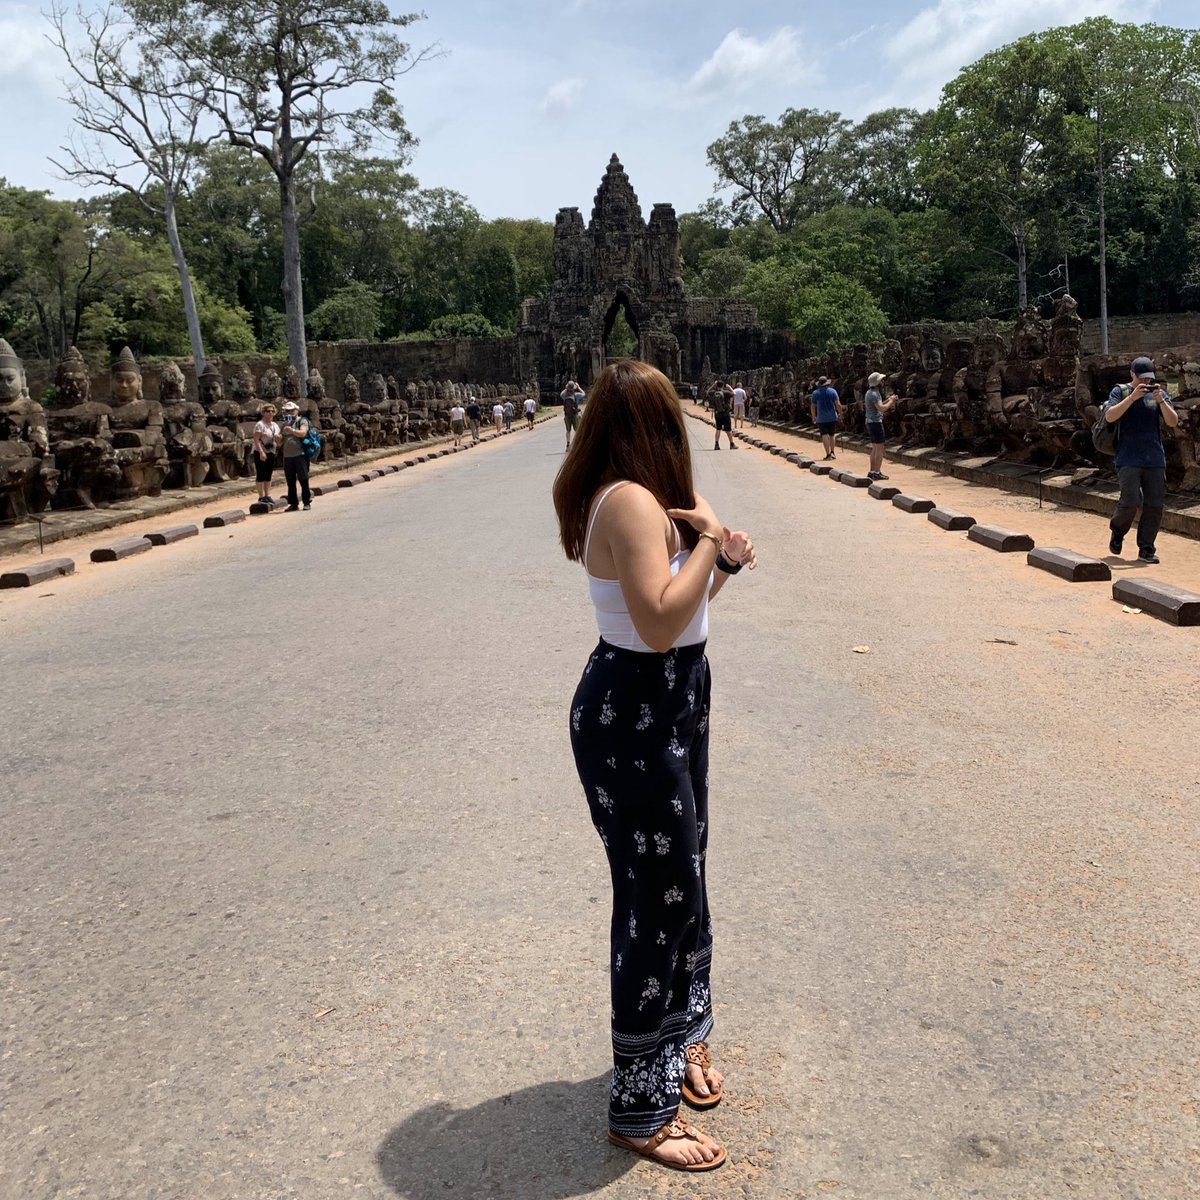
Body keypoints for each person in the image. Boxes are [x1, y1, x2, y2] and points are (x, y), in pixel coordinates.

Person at [552, 360, 756, 1174]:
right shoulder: (632, 501)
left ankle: (683, 1038)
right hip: (634, 711)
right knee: (655, 900)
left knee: (682, 881)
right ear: (657, 423)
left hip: (669, 698)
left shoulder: (635, 494)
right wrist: (708, 537)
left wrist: (721, 564)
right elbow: (661, 624)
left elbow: (680, 612)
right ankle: (640, 1106)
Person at [1104, 355, 1179, 564]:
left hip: (1154, 457)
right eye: (1142, 378)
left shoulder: (1159, 393)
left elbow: (1173, 422)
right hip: (1128, 457)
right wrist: (1132, 398)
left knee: (1155, 505)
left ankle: (1146, 548)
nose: (1146, 382)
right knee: (1130, 501)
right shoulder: (1120, 391)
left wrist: (1161, 400)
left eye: (1149, 378)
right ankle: (1118, 531)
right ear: (1132, 375)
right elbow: (1110, 416)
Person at [863, 372, 898, 480]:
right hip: (875, 422)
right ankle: (877, 472)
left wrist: (889, 400)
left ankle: (873, 470)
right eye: (881, 380)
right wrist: (891, 401)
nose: (883, 382)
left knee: (875, 448)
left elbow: (879, 404)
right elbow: (882, 408)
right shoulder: (874, 394)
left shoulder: (870, 392)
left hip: (870, 421)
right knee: (880, 448)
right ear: (878, 383)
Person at [279, 400, 311, 511]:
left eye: (291, 411)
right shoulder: (284, 424)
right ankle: (293, 503)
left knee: (303, 479)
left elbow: (303, 433)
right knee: (290, 481)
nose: (289, 413)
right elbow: (280, 442)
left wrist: (292, 431)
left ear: (296, 411)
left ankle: (306, 502)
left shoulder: (301, 421)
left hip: (300, 454)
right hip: (287, 456)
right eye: (287, 411)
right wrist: (277, 438)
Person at [810, 376, 843, 460]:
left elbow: (813, 406)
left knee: (824, 435)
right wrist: (841, 414)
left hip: (821, 418)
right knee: (832, 435)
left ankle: (828, 454)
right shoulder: (833, 391)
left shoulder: (815, 393)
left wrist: (813, 416)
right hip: (832, 417)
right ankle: (833, 452)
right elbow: (838, 404)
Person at [253, 402, 280, 503]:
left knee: (268, 474)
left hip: (271, 451)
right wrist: (261, 452)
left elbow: (279, 442)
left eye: (272, 411)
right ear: (263, 413)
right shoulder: (260, 425)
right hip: (260, 451)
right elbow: (256, 439)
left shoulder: (275, 426)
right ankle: (261, 496)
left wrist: (279, 439)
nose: (270, 413)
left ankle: (267, 495)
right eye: (268, 411)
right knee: (261, 473)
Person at [710, 384, 737, 450]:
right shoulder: (726, 393)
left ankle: (716, 444)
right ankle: (732, 444)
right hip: (725, 414)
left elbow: (707, 392)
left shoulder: (714, 393)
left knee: (718, 429)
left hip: (717, 414)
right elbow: (734, 394)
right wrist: (729, 387)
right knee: (728, 430)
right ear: (723, 386)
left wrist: (713, 385)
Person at [561, 380, 580, 448]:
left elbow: (561, 394)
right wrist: (578, 387)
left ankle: (568, 442)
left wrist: (566, 388)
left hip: (567, 415)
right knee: (577, 430)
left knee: (568, 430)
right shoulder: (576, 395)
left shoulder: (564, 395)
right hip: (575, 414)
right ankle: (577, 442)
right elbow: (583, 394)